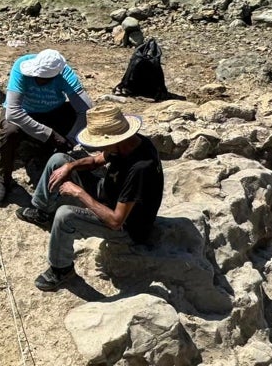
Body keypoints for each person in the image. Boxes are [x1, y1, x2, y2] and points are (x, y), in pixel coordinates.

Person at [16, 103, 164, 292]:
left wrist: (78, 193)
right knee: (58, 161)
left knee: (65, 215)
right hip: (108, 193)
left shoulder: (140, 168)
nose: (101, 148)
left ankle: (61, 269)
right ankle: (42, 211)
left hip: (127, 228)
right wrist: (70, 167)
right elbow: (96, 160)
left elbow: (116, 221)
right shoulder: (127, 144)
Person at [0, 49, 93, 205]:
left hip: (52, 111)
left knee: (72, 116)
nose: (38, 80)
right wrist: (50, 135)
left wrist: (71, 139)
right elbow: (13, 112)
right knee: (10, 131)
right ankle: (3, 177)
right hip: (23, 111)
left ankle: (45, 157)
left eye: (44, 79)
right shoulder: (21, 66)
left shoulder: (65, 74)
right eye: (36, 76)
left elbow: (85, 109)